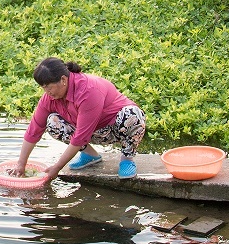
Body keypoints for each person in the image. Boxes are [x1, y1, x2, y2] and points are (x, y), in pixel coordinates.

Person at [10, 57, 146, 182]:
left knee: (132, 114)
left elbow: (80, 136)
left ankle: (127, 158)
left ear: (63, 80)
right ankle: (90, 155)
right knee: (52, 122)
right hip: (90, 132)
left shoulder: (88, 91)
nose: (47, 92)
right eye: (43, 88)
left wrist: (57, 167)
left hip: (114, 127)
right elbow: (34, 129)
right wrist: (21, 164)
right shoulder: (50, 98)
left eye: (49, 87)